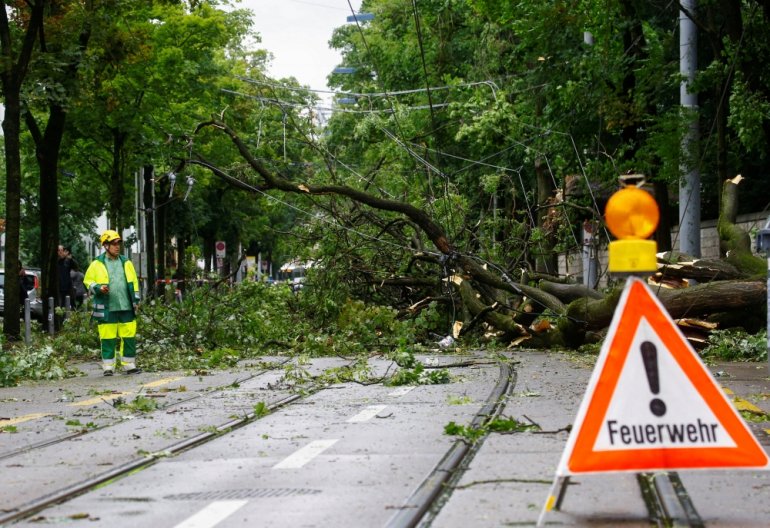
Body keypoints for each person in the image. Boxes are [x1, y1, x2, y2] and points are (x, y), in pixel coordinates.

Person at [84, 230, 141, 376]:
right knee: (107, 337)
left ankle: (129, 365)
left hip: (126, 306)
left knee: (128, 337)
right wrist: (97, 288)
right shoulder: (97, 264)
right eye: (114, 244)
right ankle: (108, 367)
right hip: (107, 307)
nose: (117, 247)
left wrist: (136, 300)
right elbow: (88, 281)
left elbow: (134, 282)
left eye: (118, 244)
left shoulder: (126, 263)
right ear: (106, 246)